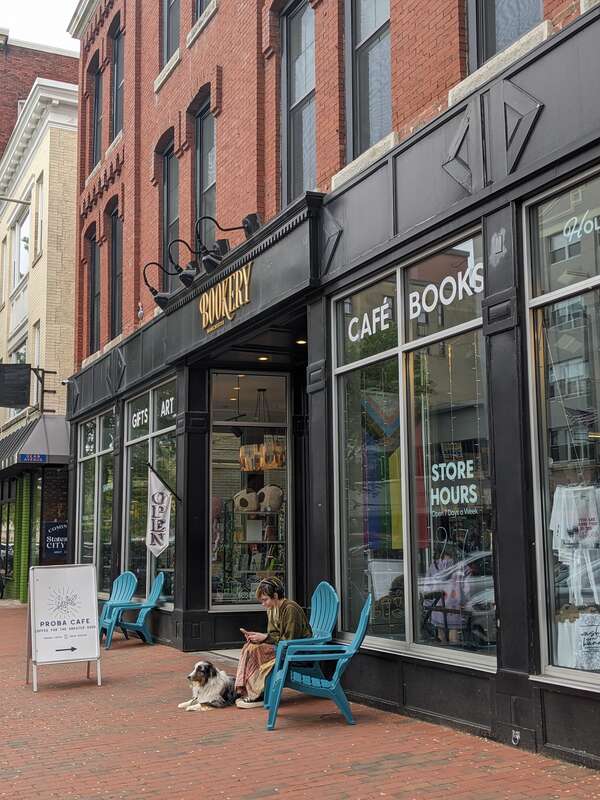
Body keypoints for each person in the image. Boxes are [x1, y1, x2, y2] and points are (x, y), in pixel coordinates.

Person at [234, 577, 312, 709]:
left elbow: (290, 640)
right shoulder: (272, 608)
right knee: (250, 647)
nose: (263, 604)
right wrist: (259, 637)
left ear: (275, 595)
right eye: (261, 600)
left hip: (299, 651)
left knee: (257, 651)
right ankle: (248, 690)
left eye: (265, 599)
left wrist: (264, 639)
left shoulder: (290, 609)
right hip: (283, 647)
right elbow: (274, 635)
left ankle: (258, 694)